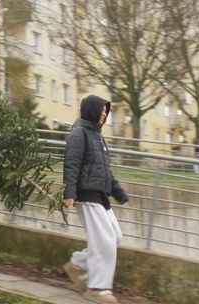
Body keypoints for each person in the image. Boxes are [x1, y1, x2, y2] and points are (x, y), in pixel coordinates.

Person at [62, 95, 129, 304]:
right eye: (101, 112)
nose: (104, 115)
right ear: (90, 111)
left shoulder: (98, 136)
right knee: (105, 241)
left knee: (114, 237)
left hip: (101, 195)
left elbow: (105, 171)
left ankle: (77, 264)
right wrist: (70, 192)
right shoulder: (79, 132)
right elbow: (71, 163)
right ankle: (97, 288)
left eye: (106, 113)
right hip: (86, 194)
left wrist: (118, 192)